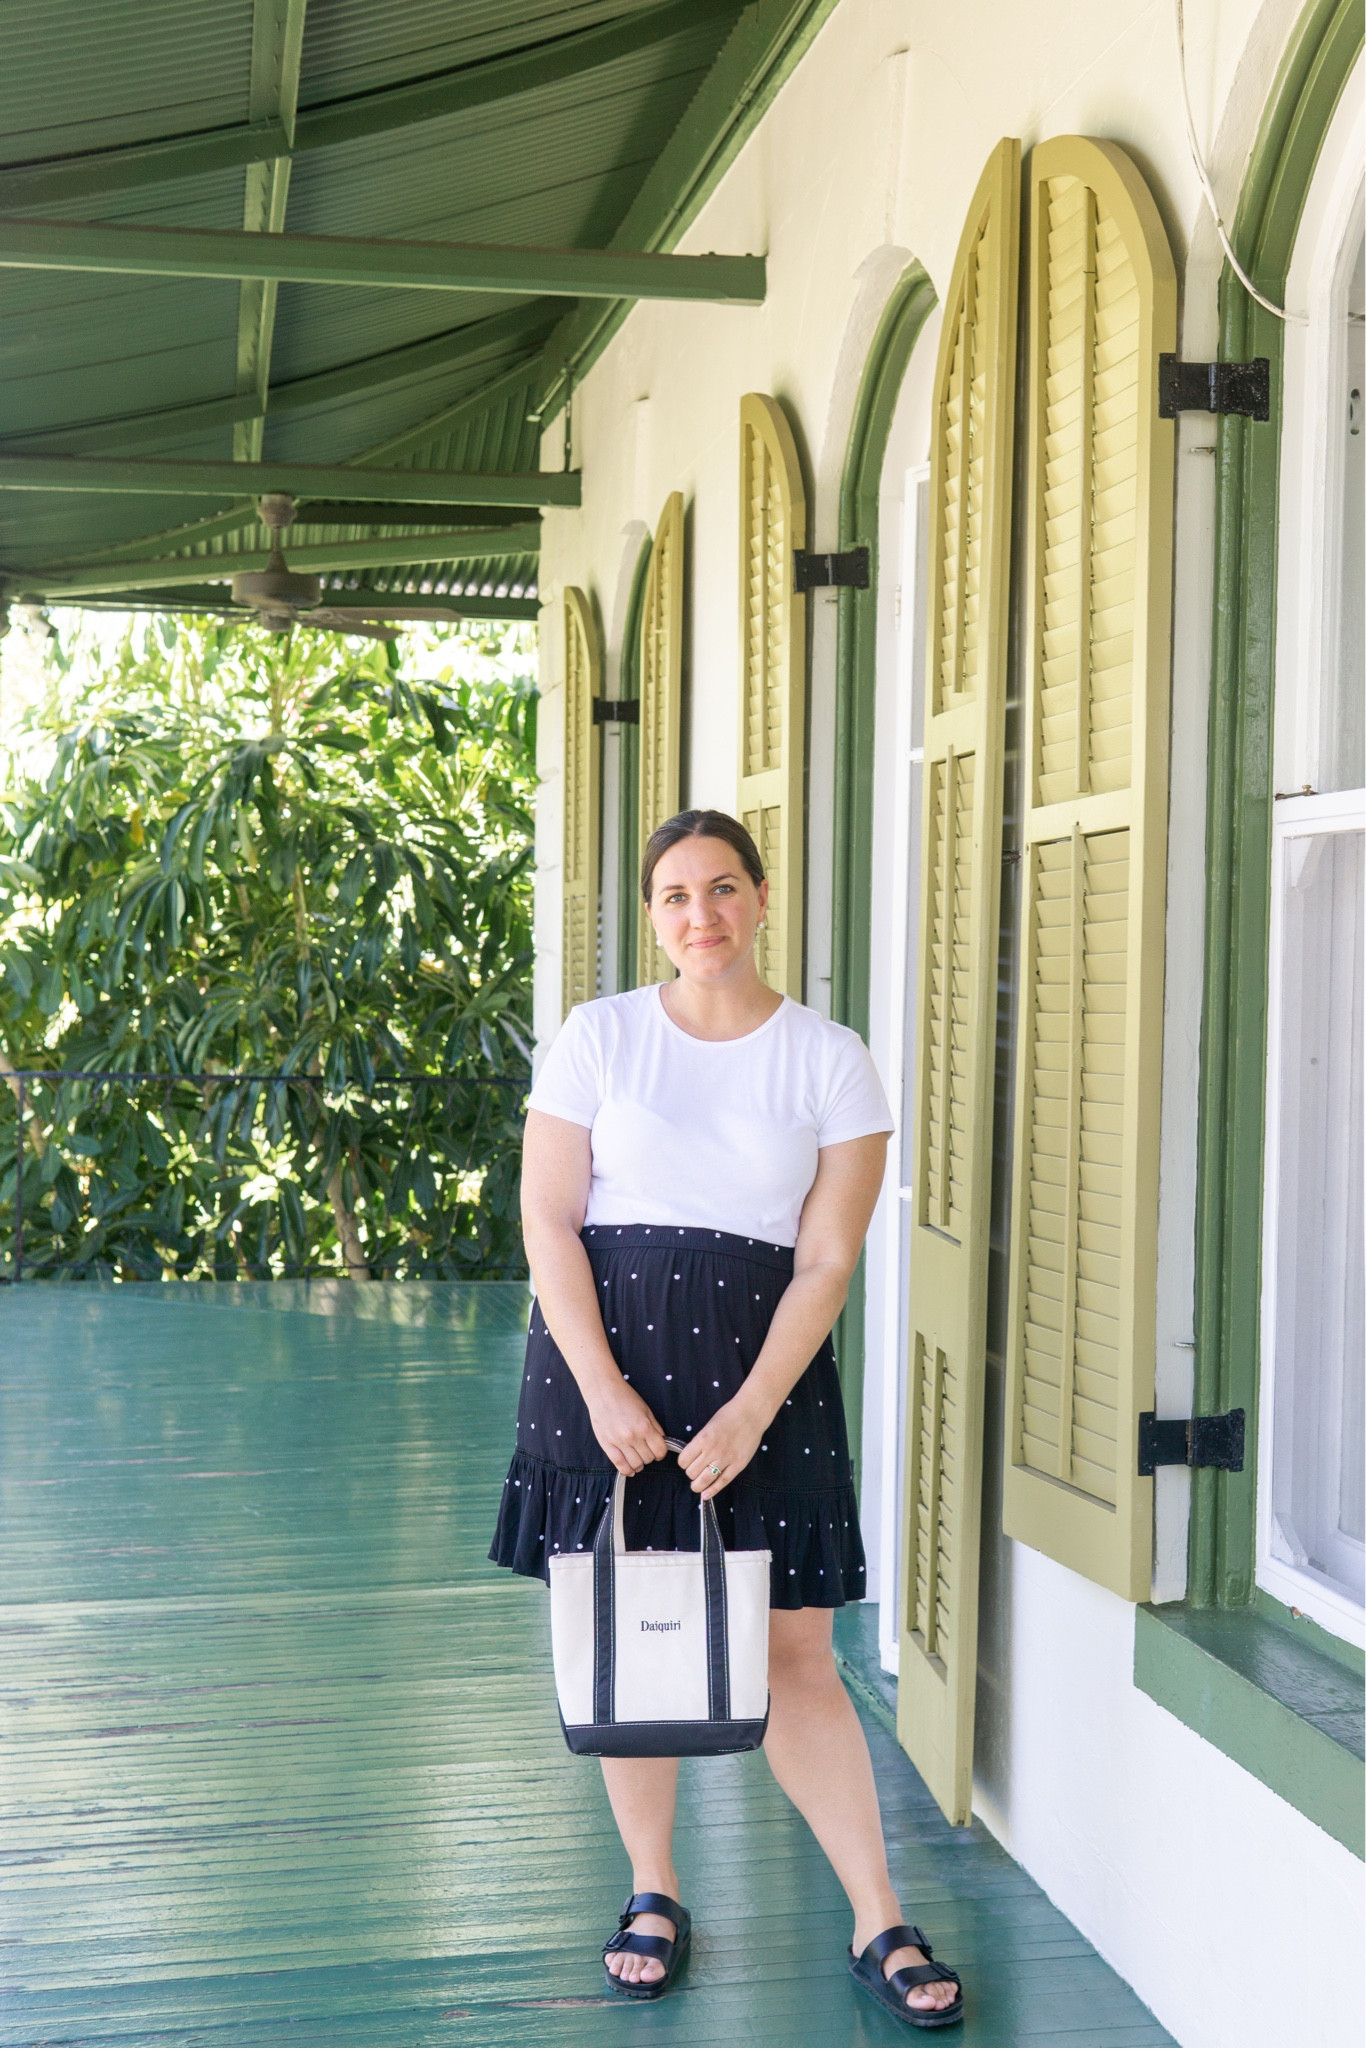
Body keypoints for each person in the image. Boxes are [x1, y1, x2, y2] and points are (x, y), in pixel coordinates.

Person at [489, 808, 963, 2029]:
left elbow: (826, 1260)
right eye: (673, 897)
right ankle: (652, 1890)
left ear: (759, 899)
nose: (700, 916)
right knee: (631, 1631)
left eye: (721, 889)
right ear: (652, 916)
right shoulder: (597, 1038)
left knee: (796, 1650)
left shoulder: (829, 1058)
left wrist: (754, 1410)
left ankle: (877, 1915)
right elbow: (550, 1221)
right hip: (606, 1366)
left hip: (766, 1373)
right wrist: (599, 1387)